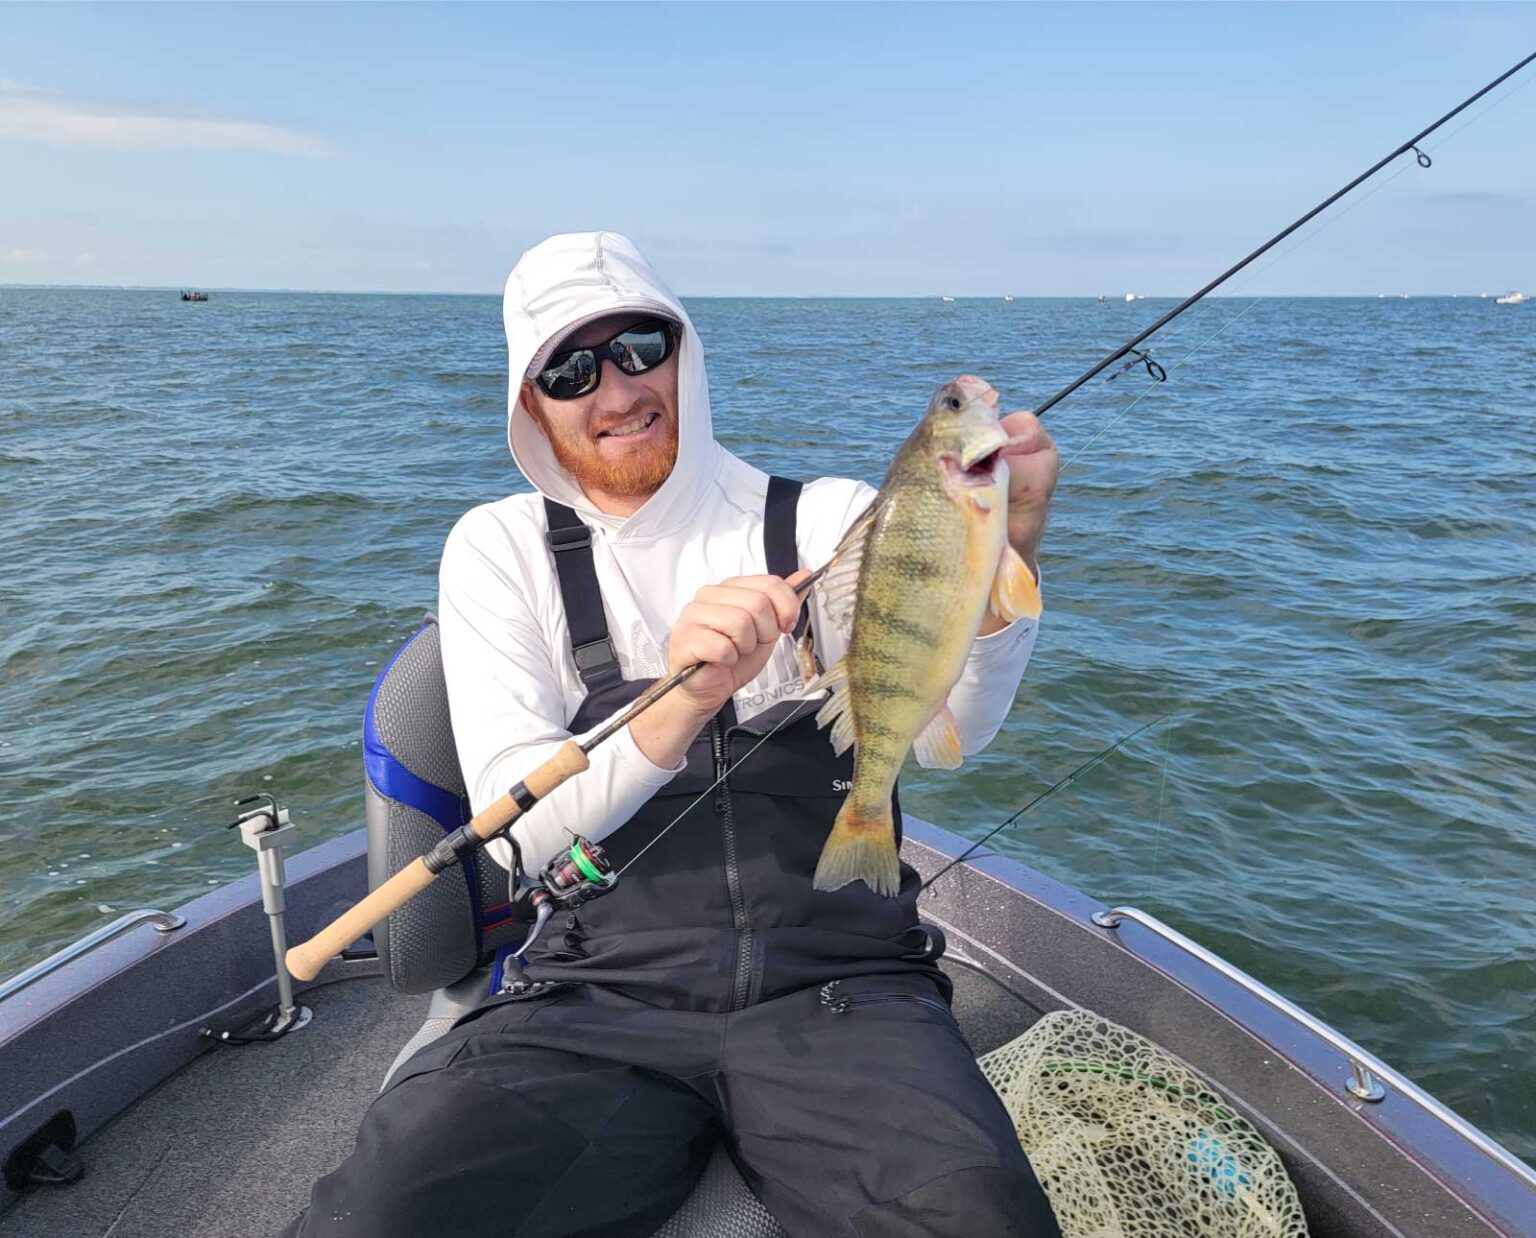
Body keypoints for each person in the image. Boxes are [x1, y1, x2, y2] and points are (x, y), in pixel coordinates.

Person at [283, 232, 1062, 1238]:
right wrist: (681, 700)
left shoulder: (830, 516)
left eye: (639, 346)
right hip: (591, 998)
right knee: (380, 1217)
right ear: (532, 403)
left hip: (842, 985)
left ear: (682, 352)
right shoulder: (501, 550)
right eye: (570, 368)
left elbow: (959, 724)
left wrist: (1006, 555)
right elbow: (516, 835)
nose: (615, 389)